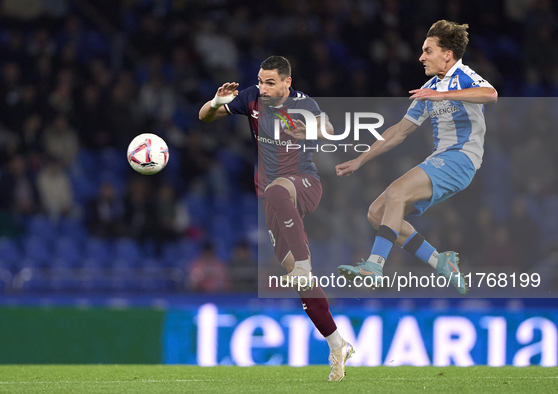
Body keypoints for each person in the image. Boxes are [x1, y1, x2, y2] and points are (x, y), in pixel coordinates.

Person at [199, 56, 354, 381]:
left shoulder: (303, 104)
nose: (263, 88)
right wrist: (216, 102)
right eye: (260, 80)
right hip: (272, 201)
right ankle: (337, 344)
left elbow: (328, 128)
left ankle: (302, 263)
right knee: (302, 285)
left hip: (304, 185)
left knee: (279, 190)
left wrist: (312, 129)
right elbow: (204, 117)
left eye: (270, 82)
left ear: (287, 82)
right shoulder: (250, 99)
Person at [335, 20, 497, 295]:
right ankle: (441, 261)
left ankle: (374, 265)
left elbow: (491, 94)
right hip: (443, 158)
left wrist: (441, 94)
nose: (421, 57)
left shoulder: (463, 76)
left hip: (462, 158)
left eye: (428, 51)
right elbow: (399, 131)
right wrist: (360, 160)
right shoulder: (429, 89)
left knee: (396, 191)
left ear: (447, 54)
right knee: (377, 213)